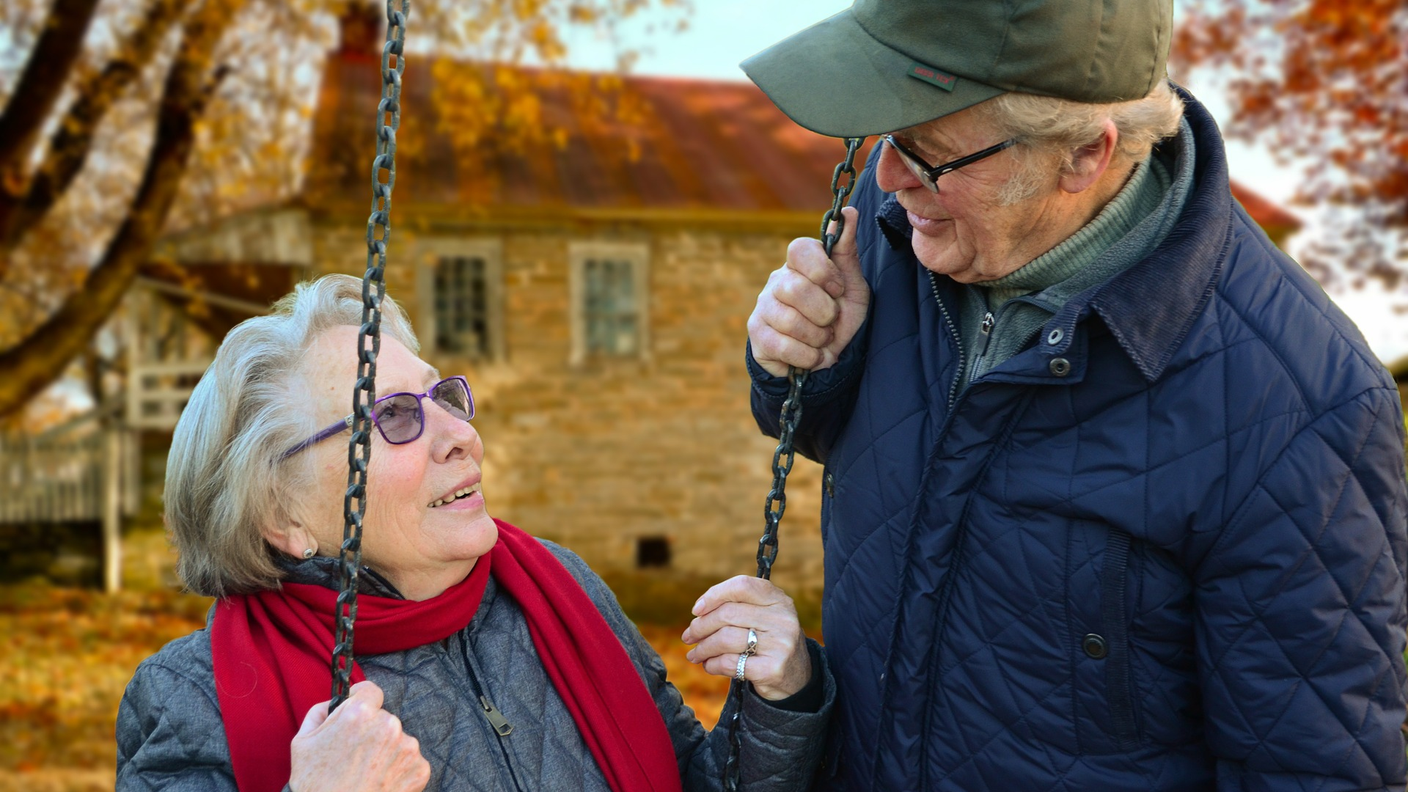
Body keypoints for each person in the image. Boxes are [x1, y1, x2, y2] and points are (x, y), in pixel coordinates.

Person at [741, 1, 1408, 790]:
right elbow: (851, 444)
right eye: (887, 136)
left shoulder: (1300, 405)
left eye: (929, 153)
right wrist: (802, 366)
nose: (888, 180)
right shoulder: (900, 230)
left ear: (1085, 155)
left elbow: (1312, 768)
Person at [116, 274, 832, 792]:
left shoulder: (558, 589)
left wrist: (781, 696)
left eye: (443, 397)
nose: (460, 434)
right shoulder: (192, 697)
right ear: (283, 516)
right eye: (394, 416)